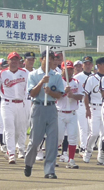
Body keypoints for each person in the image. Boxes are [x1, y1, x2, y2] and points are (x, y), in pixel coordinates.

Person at [23, 50, 65, 179]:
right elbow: (32, 93)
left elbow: (60, 94)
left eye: (53, 58)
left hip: (52, 109)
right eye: (48, 58)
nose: (51, 61)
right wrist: (41, 82)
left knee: (52, 141)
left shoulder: (57, 76)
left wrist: (50, 93)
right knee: (35, 140)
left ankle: (49, 170)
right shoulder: (33, 75)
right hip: (38, 107)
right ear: (42, 59)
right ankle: (29, 163)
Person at [0, 52, 28, 164]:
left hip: (21, 103)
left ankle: (10, 150)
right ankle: (11, 153)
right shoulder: (2, 73)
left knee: (19, 129)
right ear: (8, 61)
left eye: (17, 59)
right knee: (9, 128)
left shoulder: (25, 73)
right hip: (7, 103)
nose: (15, 61)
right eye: (12, 59)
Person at [56, 60, 83, 169]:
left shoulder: (76, 82)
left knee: (73, 137)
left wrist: (72, 95)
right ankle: (52, 159)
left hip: (72, 113)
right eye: (67, 70)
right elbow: (55, 96)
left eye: (71, 69)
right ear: (62, 70)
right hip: (60, 113)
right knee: (58, 138)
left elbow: (81, 96)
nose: (69, 71)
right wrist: (63, 92)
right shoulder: (57, 81)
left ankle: (71, 160)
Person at [82, 57, 104, 164]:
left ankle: (101, 156)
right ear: (99, 65)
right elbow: (86, 94)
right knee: (94, 133)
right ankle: (87, 152)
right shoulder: (92, 78)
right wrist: (87, 108)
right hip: (94, 107)